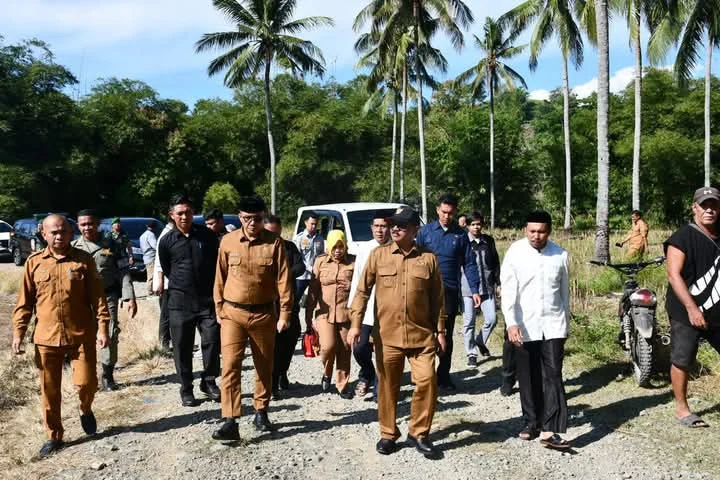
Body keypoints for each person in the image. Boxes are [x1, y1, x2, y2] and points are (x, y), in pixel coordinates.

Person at [349, 206, 446, 458]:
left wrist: (441, 330)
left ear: (415, 230)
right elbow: (362, 291)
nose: (395, 229)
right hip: (387, 336)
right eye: (393, 224)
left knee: (427, 381)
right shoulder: (378, 255)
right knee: (387, 386)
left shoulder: (428, 259)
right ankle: (388, 434)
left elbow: (438, 299)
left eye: (402, 225)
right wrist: (356, 324)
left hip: (421, 336)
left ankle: (419, 433)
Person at [12, 215, 110, 459]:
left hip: (81, 334)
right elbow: (24, 303)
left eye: (64, 231)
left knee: (87, 383)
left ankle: (85, 408)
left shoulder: (83, 260)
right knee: (49, 390)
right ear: (43, 234)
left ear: (70, 233)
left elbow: (98, 298)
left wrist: (103, 328)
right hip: (46, 338)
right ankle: (54, 436)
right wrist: (18, 333)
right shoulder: (34, 263)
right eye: (54, 232)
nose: (59, 236)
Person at [212, 195, 293, 441]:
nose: (252, 224)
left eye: (257, 219)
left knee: (264, 365)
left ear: (262, 217)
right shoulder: (228, 242)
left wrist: (285, 313)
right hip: (233, 314)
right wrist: (219, 309)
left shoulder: (275, 243)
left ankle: (261, 412)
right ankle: (230, 420)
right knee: (230, 365)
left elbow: (284, 280)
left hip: (264, 314)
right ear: (239, 217)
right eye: (247, 218)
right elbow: (219, 278)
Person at [501, 210, 571, 450]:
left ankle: (551, 429)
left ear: (549, 231)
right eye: (532, 231)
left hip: (553, 325)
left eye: (541, 231)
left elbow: (564, 294)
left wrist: (565, 324)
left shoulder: (560, 255)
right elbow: (508, 291)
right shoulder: (515, 253)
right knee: (528, 375)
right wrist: (511, 322)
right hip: (524, 325)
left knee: (553, 374)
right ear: (525, 230)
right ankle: (531, 422)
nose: (536, 236)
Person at [157, 195, 221, 407]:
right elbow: (167, 268)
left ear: (193, 213)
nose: (184, 216)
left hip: (207, 301)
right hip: (180, 302)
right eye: (180, 213)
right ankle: (186, 388)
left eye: (188, 212)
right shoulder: (166, 241)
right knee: (182, 347)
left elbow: (216, 264)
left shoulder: (206, 236)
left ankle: (208, 381)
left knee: (212, 341)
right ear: (172, 215)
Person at [665, 187, 720, 428]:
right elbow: (673, 275)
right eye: (704, 205)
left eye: (714, 205)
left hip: (716, 310)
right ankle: (682, 409)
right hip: (685, 310)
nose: (709, 210)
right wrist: (692, 308)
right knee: (683, 358)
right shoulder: (682, 237)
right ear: (694, 207)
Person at [416, 193, 481, 390]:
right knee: (425, 333)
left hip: (449, 291)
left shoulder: (460, 235)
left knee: (447, 334)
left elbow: (469, 263)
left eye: (451, 213)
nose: (447, 216)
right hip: (425, 291)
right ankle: (424, 375)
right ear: (437, 210)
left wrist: (475, 289)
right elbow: (413, 259)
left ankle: (443, 374)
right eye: (444, 212)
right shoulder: (425, 232)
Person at [73, 209, 138, 391]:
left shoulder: (112, 244)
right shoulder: (73, 248)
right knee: (83, 336)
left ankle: (108, 375)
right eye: (83, 224)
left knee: (110, 333)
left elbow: (124, 270)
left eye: (90, 223)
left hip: (107, 296)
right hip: (82, 300)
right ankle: (86, 374)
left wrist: (130, 297)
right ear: (78, 226)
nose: (87, 227)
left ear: (98, 223)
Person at [347, 210, 393, 399]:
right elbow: (357, 280)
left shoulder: (396, 248)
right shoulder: (365, 249)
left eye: (384, 226)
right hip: (366, 310)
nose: (380, 230)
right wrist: (353, 308)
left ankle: (380, 390)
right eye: (376, 226)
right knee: (359, 348)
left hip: (388, 311)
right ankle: (367, 372)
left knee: (385, 351)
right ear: (371, 227)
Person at [305, 230, 356, 398]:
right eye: (334, 247)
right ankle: (327, 373)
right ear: (329, 247)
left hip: (346, 313)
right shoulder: (320, 262)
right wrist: (308, 313)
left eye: (341, 247)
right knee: (328, 347)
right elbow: (313, 290)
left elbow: (360, 289)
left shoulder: (353, 262)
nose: (337, 251)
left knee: (345, 349)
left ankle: (342, 385)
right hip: (325, 314)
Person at [264, 214, 305, 397]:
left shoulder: (289, 247)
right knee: (273, 346)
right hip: (268, 305)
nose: (274, 236)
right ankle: (272, 384)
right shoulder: (260, 248)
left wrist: (284, 274)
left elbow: (300, 267)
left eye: (276, 232)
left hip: (289, 302)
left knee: (290, 340)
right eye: (270, 232)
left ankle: (282, 372)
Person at [461, 211, 501, 366]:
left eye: (478, 224)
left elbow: (495, 263)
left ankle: (480, 340)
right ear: (467, 226)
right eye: (473, 224)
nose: (476, 227)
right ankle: (471, 353)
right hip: (467, 289)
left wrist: (498, 283)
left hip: (487, 286)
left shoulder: (488, 241)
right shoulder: (463, 241)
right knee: (469, 321)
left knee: (492, 319)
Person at [293, 211, 324, 330]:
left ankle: (310, 328)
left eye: (316, 224)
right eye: (311, 224)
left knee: (312, 302)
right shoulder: (300, 238)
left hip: (314, 276)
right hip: (302, 276)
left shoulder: (320, 238)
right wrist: (309, 268)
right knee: (294, 301)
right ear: (306, 223)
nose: (313, 226)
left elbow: (321, 256)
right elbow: (297, 257)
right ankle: (294, 326)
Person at [153, 217, 174, 350]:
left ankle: (168, 341)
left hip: (168, 282)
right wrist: (160, 282)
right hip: (166, 283)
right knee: (165, 314)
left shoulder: (168, 233)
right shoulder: (166, 235)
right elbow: (160, 262)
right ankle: (164, 343)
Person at [139, 221, 157, 296]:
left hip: (145, 256)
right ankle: (150, 290)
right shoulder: (151, 235)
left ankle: (150, 290)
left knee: (149, 273)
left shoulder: (142, 235)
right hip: (151, 256)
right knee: (151, 275)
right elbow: (155, 246)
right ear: (154, 227)